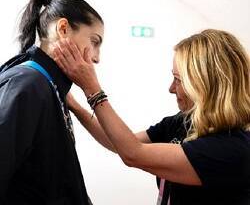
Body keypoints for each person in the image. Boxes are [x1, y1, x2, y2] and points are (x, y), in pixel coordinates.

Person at [53, 29, 250, 205]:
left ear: (203, 85)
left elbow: (133, 153)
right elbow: (118, 142)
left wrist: (91, 88)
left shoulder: (233, 149)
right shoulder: (184, 121)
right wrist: (74, 105)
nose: (171, 89)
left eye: (178, 80)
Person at [0, 0, 104, 204]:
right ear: (63, 29)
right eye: (94, 42)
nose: (97, 58)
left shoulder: (49, 87)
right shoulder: (28, 85)